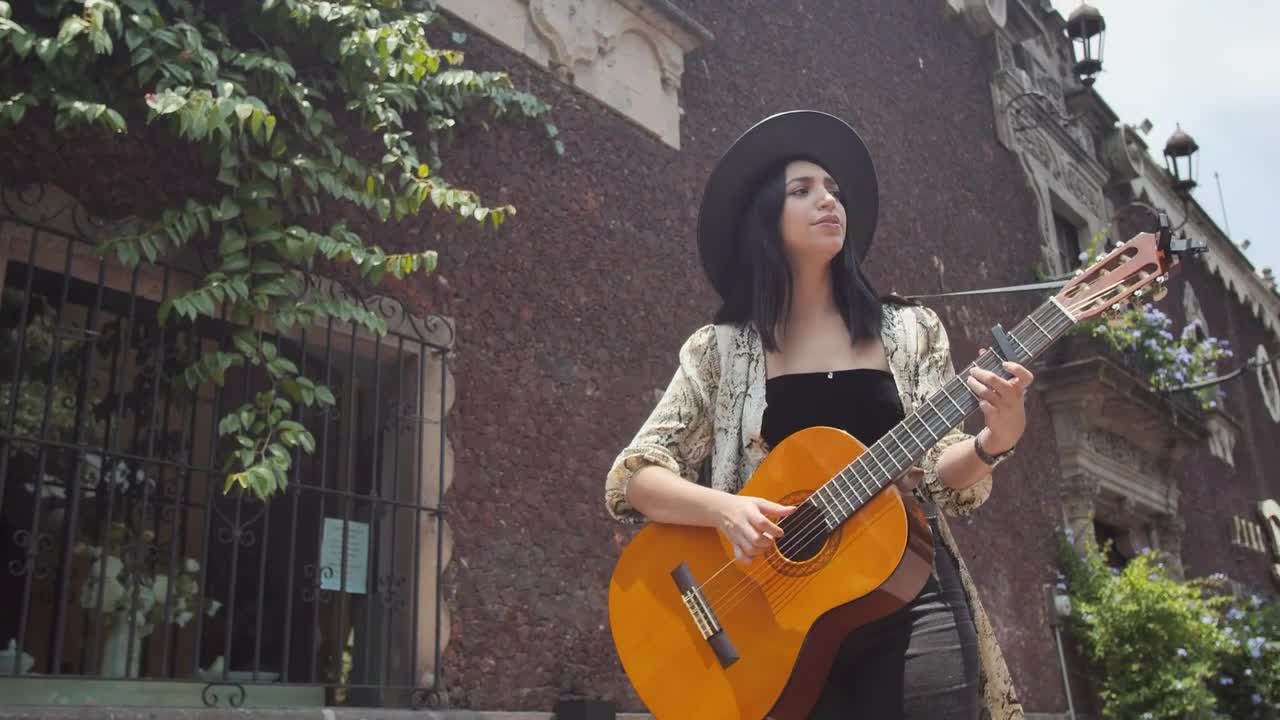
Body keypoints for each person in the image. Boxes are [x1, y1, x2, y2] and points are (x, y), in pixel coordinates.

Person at [603, 111, 1030, 720]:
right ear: (766, 222)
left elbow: (941, 471)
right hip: (774, 625)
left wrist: (995, 438)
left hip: (910, 594)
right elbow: (635, 474)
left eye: (833, 189)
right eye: (801, 190)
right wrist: (726, 510)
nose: (827, 199)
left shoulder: (909, 332)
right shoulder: (722, 350)